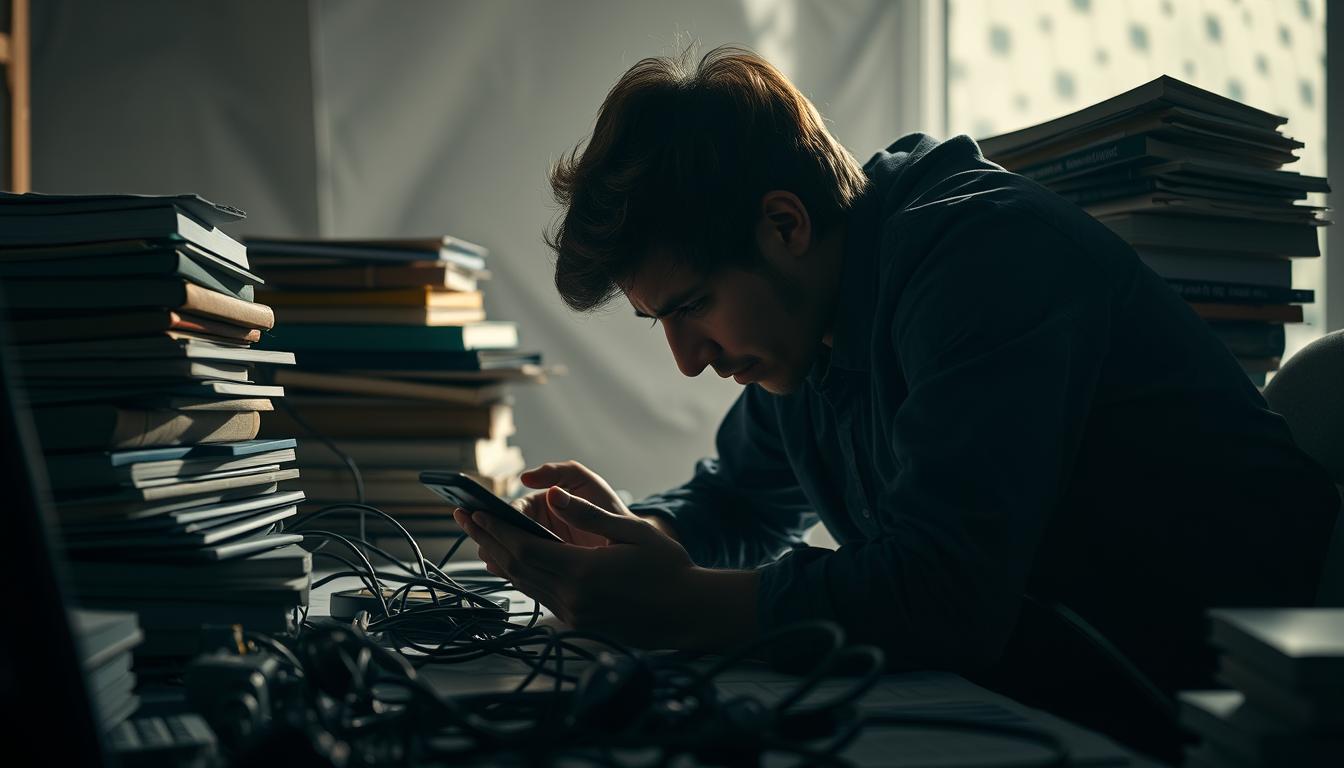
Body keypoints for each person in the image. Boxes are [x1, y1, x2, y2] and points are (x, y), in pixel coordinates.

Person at [452, 46, 1339, 757]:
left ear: (786, 226)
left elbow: (944, 592)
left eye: (690, 308)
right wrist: (623, 540)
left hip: (1253, 722)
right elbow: (735, 499)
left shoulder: (983, 260)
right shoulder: (806, 332)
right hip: (1080, 711)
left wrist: (677, 603)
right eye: (661, 326)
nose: (689, 360)